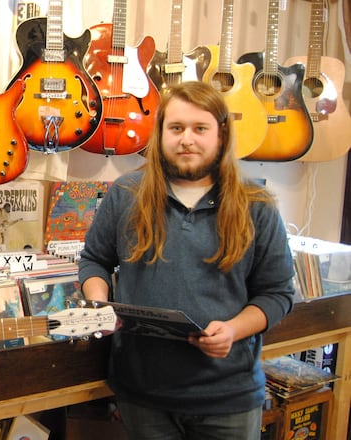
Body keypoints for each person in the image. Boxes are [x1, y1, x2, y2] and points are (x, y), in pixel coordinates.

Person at [78, 81, 294, 440]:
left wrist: (233, 330)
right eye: (176, 128)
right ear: (161, 132)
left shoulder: (257, 204)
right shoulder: (125, 194)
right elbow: (94, 261)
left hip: (229, 396)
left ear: (221, 135)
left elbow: (277, 294)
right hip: (142, 393)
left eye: (200, 129)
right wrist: (98, 301)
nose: (187, 139)